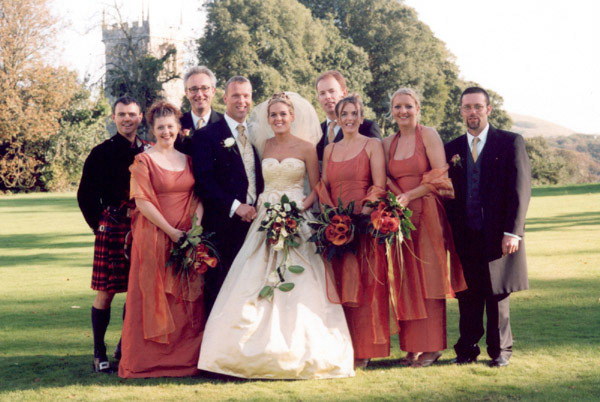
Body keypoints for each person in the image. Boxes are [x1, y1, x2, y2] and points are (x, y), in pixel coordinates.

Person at [198, 92, 354, 379]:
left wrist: (299, 209)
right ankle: (239, 349)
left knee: (298, 279)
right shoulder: (263, 145)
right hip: (265, 216)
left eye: (283, 114)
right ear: (267, 119)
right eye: (273, 115)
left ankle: (301, 349)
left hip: (297, 215)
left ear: (292, 116)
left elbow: (317, 186)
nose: (278, 118)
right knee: (253, 277)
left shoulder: (307, 147)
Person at [444, 87, 531, 367]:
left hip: (498, 234)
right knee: (467, 295)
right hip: (465, 235)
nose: (473, 112)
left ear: (488, 109)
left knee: (497, 294)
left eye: (478, 107)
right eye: (467, 107)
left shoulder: (510, 142)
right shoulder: (452, 148)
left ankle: (501, 351)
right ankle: (466, 350)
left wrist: (513, 232)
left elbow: (520, 190)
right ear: (461, 111)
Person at [119, 101, 205, 378]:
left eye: (170, 126)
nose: (166, 132)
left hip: (187, 236)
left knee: (184, 298)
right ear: (152, 130)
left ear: (178, 128)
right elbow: (142, 202)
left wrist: (194, 230)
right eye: (160, 128)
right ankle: (147, 361)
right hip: (155, 236)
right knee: (153, 296)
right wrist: (171, 231)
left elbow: (198, 197)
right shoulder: (143, 161)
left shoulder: (188, 160)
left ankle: (185, 359)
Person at [383, 88, 467, 367]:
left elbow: (440, 175)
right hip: (400, 217)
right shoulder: (387, 142)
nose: (403, 111)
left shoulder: (428, 135)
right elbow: (384, 177)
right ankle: (412, 346)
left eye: (408, 106)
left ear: (418, 108)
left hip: (428, 212)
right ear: (392, 111)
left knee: (430, 280)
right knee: (406, 280)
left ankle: (433, 347)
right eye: (397, 107)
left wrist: (410, 195)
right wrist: (396, 201)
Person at [316, 94, 389, 368]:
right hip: (336, 228)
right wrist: (331, 219)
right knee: (339, 287)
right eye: (344, 114)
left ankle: (364, 350)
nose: (349, 118)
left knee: (364, 287)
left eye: (354, 113)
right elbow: (324, 186)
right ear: (337, 118)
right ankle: (340, 348)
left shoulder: (372, 145)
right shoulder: (329, 150)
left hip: (362, 225)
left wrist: (362, 217)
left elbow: (379, 185)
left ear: (361, 117)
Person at [77, 96, 148, 373]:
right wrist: (100, 225)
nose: (127, 119)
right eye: (121, 114)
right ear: (113, 118)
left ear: (140, 117)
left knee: (137, 291)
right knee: (106, 292)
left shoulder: (148, 150)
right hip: (113, 227)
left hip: (142, 225)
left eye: (131, 114)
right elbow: (85, 195)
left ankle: (123, 346)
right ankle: (99, 352)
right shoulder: (101, 152)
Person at [191, 76, 264, 312]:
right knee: (220, 291)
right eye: (236, 95)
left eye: (246, 95)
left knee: (253, 290)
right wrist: (236, 207)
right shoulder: (206, 136)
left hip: (256, 225)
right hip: (223, 228)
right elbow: (204, 182)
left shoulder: (259, 135)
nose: (242, 100)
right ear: (224, 98)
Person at [315, 70, 381, 162]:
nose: (327, 97)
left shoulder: (367, 127)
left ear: (344, 93)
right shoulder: (316, 132)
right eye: (322, 93)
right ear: (318, 97)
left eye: (332, 91)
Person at [176, 66, 223, 155]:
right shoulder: (177, 124)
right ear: (186, 93)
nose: (199, 94)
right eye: (194, 89)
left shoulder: (225, 123)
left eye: (204, 88)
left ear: (213, 91)